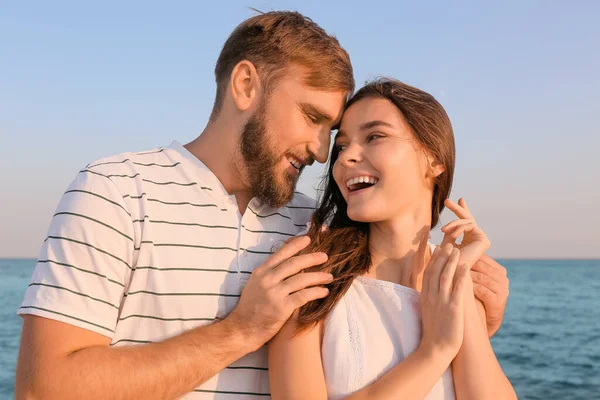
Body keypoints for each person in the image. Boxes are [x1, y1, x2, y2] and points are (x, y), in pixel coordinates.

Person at [14, 11, 509, 400]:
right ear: (246, 85)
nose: (322, 152)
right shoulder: (117, 190)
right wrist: (241, 331)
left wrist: (473, 318)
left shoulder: (313, 234)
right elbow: (44, 391)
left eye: (329, 133)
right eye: (313, 118)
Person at [268, 78, 516, 399]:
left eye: (374, 136)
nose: (345, 158)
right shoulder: (310, 279)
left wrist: (461, 285)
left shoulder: (457, 286)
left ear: (434, 159)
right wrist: (434, 351)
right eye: (341, 146)